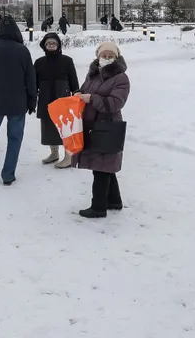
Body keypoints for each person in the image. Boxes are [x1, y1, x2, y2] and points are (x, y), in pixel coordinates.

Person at [73, 42, 130, 218]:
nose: (106, 58)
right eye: (103, 55)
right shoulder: (93, 74)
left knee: (101, 167)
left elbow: (115, 103)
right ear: (98, 56)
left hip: (107, 125)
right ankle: (114, 200)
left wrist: (92, 99)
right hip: (92, 125)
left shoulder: (121, 78)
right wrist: (78, 95)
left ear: (116, 57)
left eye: (110, 55)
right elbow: (84, 91)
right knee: (105, 165)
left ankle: (98, 207)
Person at [0, 16, 36, 185]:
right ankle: (8, 174)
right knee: (15, 138)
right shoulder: (23, 51)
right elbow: (30, 78)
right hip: (18, 103)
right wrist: (32, 99)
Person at [35, 33, 80, 168]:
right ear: (44, 45)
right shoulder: (39, 62)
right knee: (48, 126)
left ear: (59, 45)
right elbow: (34, 82)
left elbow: (73, 78)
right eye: (48, 43)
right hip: (46, 97)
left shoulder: (67, 60)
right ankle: (54, 153)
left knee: (65, 127)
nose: (51, 45)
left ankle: (68, 156)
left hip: (62, 96)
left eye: (54, 43)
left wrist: (76, 92)